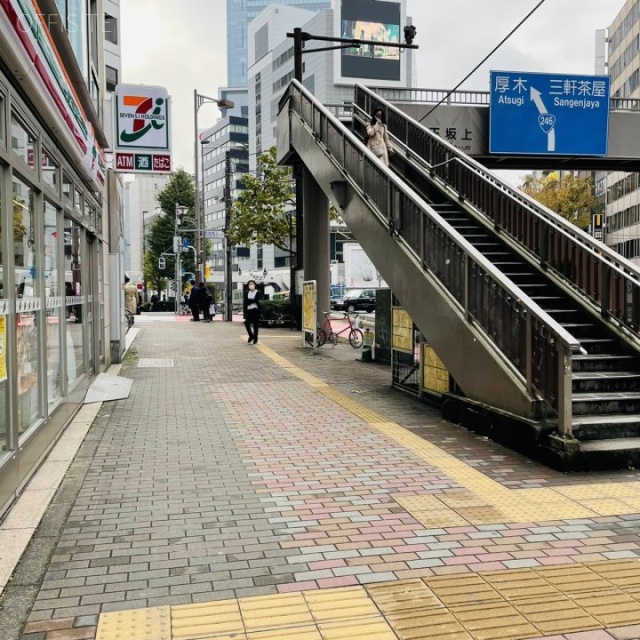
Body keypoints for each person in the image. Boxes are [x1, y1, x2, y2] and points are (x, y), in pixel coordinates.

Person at [243, 279, 263, 344]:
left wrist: (250, 301)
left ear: (255, 285)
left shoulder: (258, 292)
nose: (251, 285)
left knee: (255, 325)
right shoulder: (246, 292)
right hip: (249, 310)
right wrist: (251, 301)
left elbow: (256, 300)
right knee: (246, 323)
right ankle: (251, 335)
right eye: (249, 284)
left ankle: (255, 338)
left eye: (252, 284)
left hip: (255, 310)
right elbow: (245, 301)